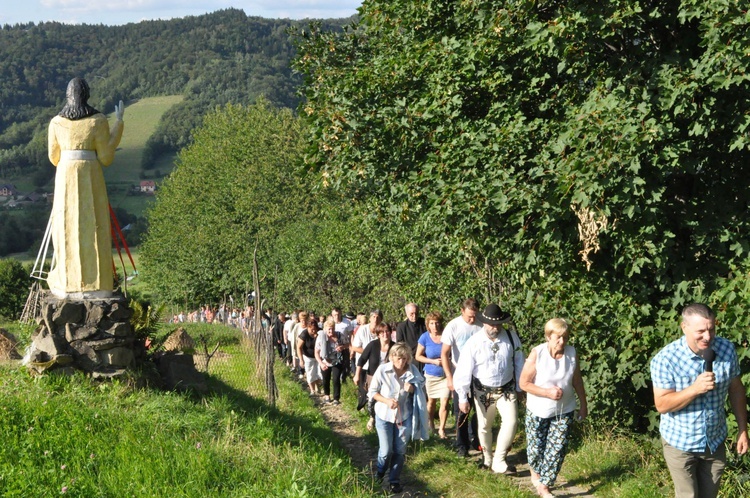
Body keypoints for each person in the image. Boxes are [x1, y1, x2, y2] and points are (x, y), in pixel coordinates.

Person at [650, 303, 748, 498]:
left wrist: (742, 430)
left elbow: (736, 390)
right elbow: (662, 405)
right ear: (684, 327)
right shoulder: (666, 359)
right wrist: (694, 389)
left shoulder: (726, 349)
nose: (708, 336)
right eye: (701, 331)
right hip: (680, 443)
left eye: (711, 329)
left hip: (714, 441)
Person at [47, 77, 125, 298]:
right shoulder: (98, 121)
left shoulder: (56, 122)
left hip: (65, 177)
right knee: (95, 224)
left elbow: (54, 157)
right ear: (87, 94)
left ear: (68, 96)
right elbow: (106, 157)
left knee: (65, 226)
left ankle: (66, 280)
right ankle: (97, 283)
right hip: (90, 174)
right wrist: (119, 124)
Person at [520, 318, 587, 498]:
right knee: (536, 449)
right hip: (538, 410)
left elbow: (577, 380)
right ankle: (535, 472)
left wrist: (583, 404)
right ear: (548, 336)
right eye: (558, 337)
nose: (562, 342)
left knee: (557, 448)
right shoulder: (538, 354)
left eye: (565, 337)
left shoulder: (572, 353)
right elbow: (524, 383)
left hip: (564, 410)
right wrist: (546, 392)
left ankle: (545, 486)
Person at [453, 303, 524, 473]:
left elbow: (520, 362)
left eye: (498, 324)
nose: (495, 327)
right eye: (492, 324)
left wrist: (521, 387)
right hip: (483, 391)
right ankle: (487, 459)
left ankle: (500, 460)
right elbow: (463, 370)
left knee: (512, 422)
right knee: (484, 426)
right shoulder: (474, 342)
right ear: (484, 323)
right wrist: (462, 397)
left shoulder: (511, 337)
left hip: (506, 390)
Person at [368, 342, 427, 494]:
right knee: (386, 450)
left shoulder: (412, 370)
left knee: (399, 450)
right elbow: (372, 392)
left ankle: (394, 480)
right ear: (392, 357)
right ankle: (380, 473)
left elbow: (421, 388)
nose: (402, 361)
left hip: (404, 416)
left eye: (405, 358)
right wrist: (387, 401)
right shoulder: (383, 369)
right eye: (399, 358)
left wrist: (412, 389)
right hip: (384, 415)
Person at [441, 297, 483, 457]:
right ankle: (462, 445)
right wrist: (449, 377)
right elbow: (444, 354)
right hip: (460, 372)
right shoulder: (453, 326)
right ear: (462, 311)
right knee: (462, 411)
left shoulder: (481, 324)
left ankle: (477, 439)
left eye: (474, 316)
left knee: (482, 409)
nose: (472, 319)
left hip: (480, 374)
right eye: (469, 316)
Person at [415, 311, 450, 439]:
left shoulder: (447, 336)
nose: (435, 326)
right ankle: (431, 425)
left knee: (445, 402)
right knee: (431, 402)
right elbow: (418, 356)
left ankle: (442, 429)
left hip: (446, 375)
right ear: (428, 325)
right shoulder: (424, 337)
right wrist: (433, 361)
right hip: (431, 374)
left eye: (437, 323)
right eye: (432, 323)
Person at [355, 323, 395, 430]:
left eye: (387, 331)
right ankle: (372, 417)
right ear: (378, 334)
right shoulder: (373, 345)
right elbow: (362, 359)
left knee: (385, 399)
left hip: (389, 379)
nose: (385, 334)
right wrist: (357, 374)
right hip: (373, 377)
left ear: (390, 332)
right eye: (382, 332)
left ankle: (384, 421)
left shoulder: (394, 347)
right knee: (372, 400)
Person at [315, 318, 349, 404]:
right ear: (325, 329)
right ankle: (327, 395)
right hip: (325, 361)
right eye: (329, 329)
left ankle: (336, 398)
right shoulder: (321, 337)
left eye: (332, 328)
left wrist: (342, 347)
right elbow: (316, 352)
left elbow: (348, 344)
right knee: (326, 379)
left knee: (336, 379)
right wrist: (321, 363)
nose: (331, 330)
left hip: (337, 360)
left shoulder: (340, 335)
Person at [297, 317, 322, 395]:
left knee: (320, 373)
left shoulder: (320, 332)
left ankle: (318, 386)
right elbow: (299, 347)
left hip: (319, 356)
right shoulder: (304, 334)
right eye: (312, 330)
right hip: (308, 356)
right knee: (310, 373)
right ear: (308, 328)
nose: (314, 331)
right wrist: (301, 359)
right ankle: (312, 390)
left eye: (315, 329)